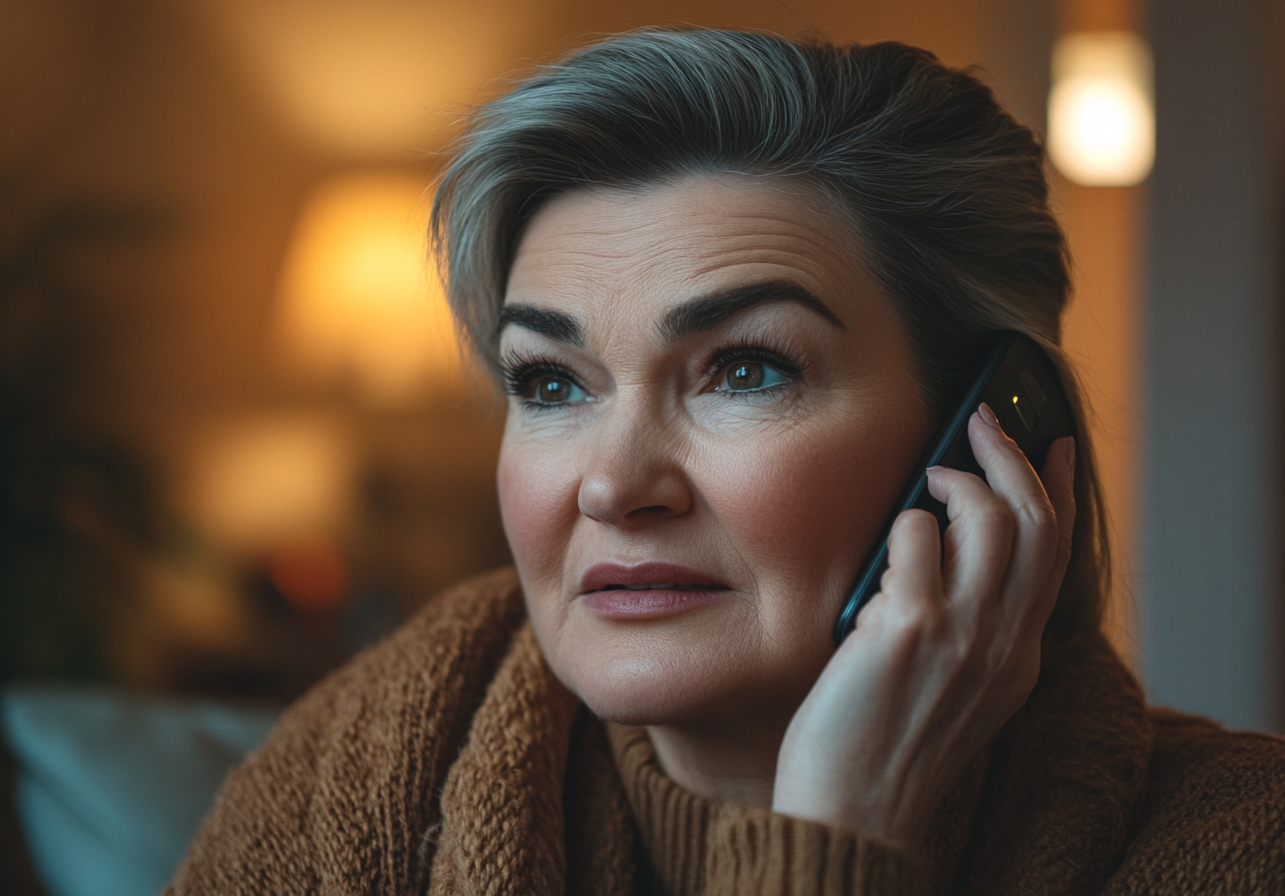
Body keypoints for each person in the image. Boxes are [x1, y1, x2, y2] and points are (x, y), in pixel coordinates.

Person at [167, 30, 1285, 895]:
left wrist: (836, 839)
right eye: (551, 382)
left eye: (745, 369)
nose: (611, 485)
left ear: (989, 430)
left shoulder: (1237, 845)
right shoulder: (346, 787)